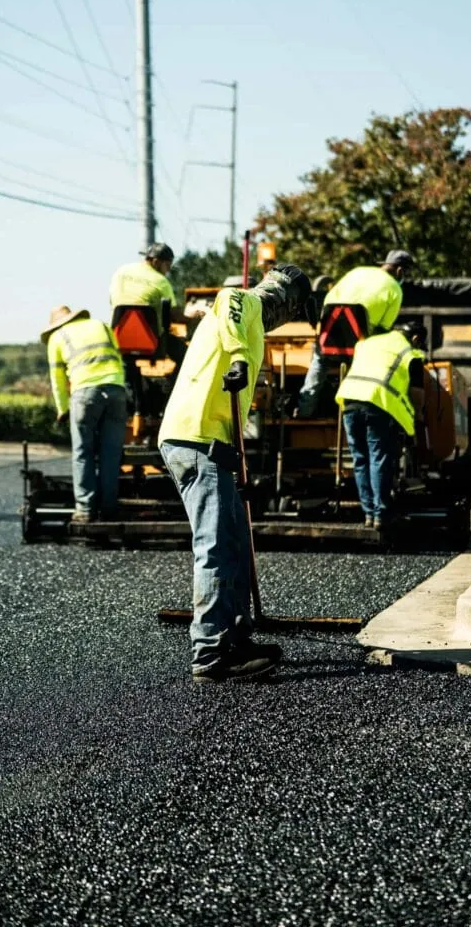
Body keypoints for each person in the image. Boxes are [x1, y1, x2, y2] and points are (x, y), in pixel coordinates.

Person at [158, 264, 314, 682]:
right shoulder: (242, 301)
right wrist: (242, 359)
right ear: (283, 298)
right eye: (292, 309)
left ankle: (237, 639)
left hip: (213, 442)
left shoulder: (251, 327)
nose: (288, 318)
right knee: (216, 545)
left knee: (236, 544)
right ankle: (210, 653)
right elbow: (230, 303)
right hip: (194, 439)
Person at [297, 249, 417, 418]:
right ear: (399, 270)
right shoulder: (395, 289)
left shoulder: (356, 272)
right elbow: (383, 329)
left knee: (318, 364)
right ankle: (363, 412)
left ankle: (304, 410)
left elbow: (328, 302)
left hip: (329, 337)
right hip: (360, 348)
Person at [335, 319, 427, 531]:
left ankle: (368, 514)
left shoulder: (369, 342)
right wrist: (417, 420)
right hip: (376, 404)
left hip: (349, 401)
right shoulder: (410, 353)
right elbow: (417, 395)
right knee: (378, 458)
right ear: (415, 338)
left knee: (360, 459)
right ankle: (381, 515)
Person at [41, 305, 127, 524]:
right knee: (111, 454)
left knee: (83, 452)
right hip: (116, 390)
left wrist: (62, 409)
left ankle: (85, 510)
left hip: (85, 393)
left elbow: (57, 379)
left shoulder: (57, 337)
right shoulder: (102, 325)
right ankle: (108, 509)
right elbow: (119, 360)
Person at [109, 242, 186, 366]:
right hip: (152, 341)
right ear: (156, 262)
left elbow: (112, 300)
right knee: (186, 355)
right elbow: (174, 315)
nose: (168, 270)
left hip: (118, 338)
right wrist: (193, 317)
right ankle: (175, 379)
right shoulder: (161, 281)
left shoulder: (121, 271)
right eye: (168, 265)